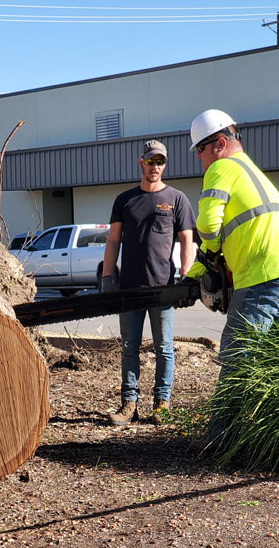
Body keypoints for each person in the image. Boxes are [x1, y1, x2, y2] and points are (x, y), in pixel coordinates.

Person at [184, 109, 279, 447]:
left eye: (200, 150)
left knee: (237, 353)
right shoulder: (251, 171)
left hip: (263, 275)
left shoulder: (222, 168)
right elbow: (232, 234)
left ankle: (221, 440)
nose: (200, 159)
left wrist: (209, 253)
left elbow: (209, 227)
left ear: (220, 143)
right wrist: (197, 271)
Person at [102, 140, 196, 426]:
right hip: (129, 287)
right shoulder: (124, 200)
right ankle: (129, 404)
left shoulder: (177, 199)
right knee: (129, 347)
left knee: (164, 347)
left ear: (164, 165)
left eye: (160, 162)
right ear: (140, 163)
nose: (155, 166)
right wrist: (107, 276)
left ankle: (161, 403)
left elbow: (187, 240)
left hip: (163, 287)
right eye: (150, 161)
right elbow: (114, 240)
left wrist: (186, 276)